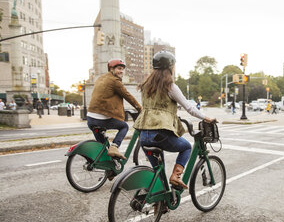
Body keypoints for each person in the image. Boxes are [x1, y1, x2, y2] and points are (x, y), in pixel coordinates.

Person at [133, 51, 216, 189]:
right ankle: (176, 176)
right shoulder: (170, 86)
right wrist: (206, 117)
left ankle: (159, 204)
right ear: (170, 67)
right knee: (186, 147)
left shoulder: (146, 86)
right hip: (159, 134)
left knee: (159, 175)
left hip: (143, 136)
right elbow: (189, 107)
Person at [87, 59, 142, 160]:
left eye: (122, 69)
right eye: (118, 69)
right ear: (111, 69)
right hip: (101, 117)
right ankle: (115, 146)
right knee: (124, 126)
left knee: (104, 148)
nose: (121, 71)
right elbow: (128, 96)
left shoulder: (100, 78)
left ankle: (109, 170)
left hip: (90, 118)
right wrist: (140, 109)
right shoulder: (114, 81)